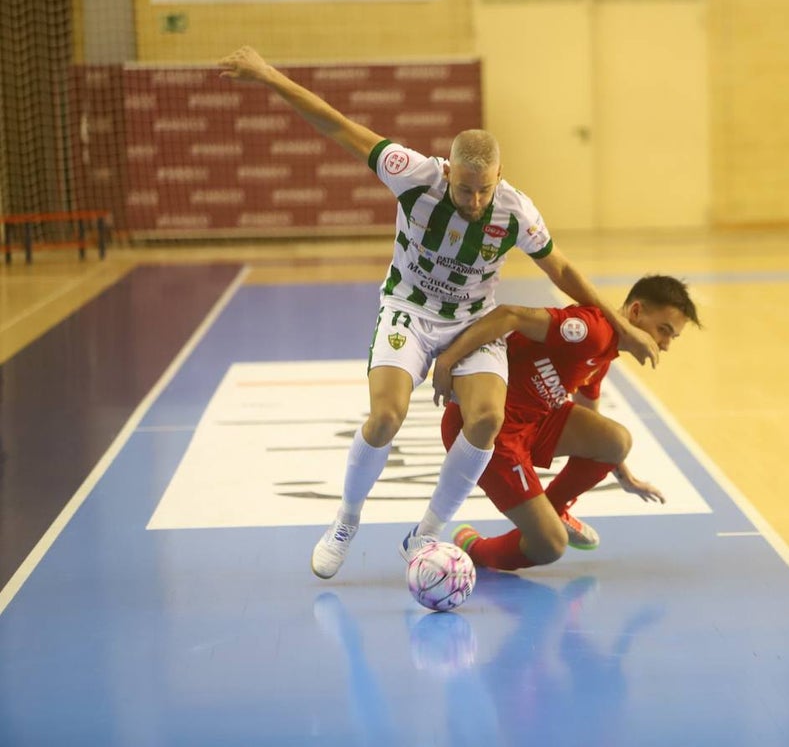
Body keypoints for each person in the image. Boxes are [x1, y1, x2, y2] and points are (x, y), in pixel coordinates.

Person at [217, 46, 659, 579]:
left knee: (488, 418)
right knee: (385, 418)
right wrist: (267, 75)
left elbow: (563, 272)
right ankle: (345, 520)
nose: (474, 201)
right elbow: (335, 124)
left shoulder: (516, 211)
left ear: (501, 177)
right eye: (465, 189)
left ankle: (426, 533)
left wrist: (622, 327)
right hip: (408, 309)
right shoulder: (413, 174)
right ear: (448, 171)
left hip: (472, 320)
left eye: (485, 190)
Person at [432, 275, 700, 570]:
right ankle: (475, 549)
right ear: (635, 312)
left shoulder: (604, 353)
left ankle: (553, 510)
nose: (664, 346)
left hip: (531, 424)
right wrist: (447, 360)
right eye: (664, 331)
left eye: (672, 337)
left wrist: (625, 476)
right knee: (550, 545)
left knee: (617, 441)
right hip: (487, 433)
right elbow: (511, 315)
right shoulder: (591, 332)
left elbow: (593, 421)